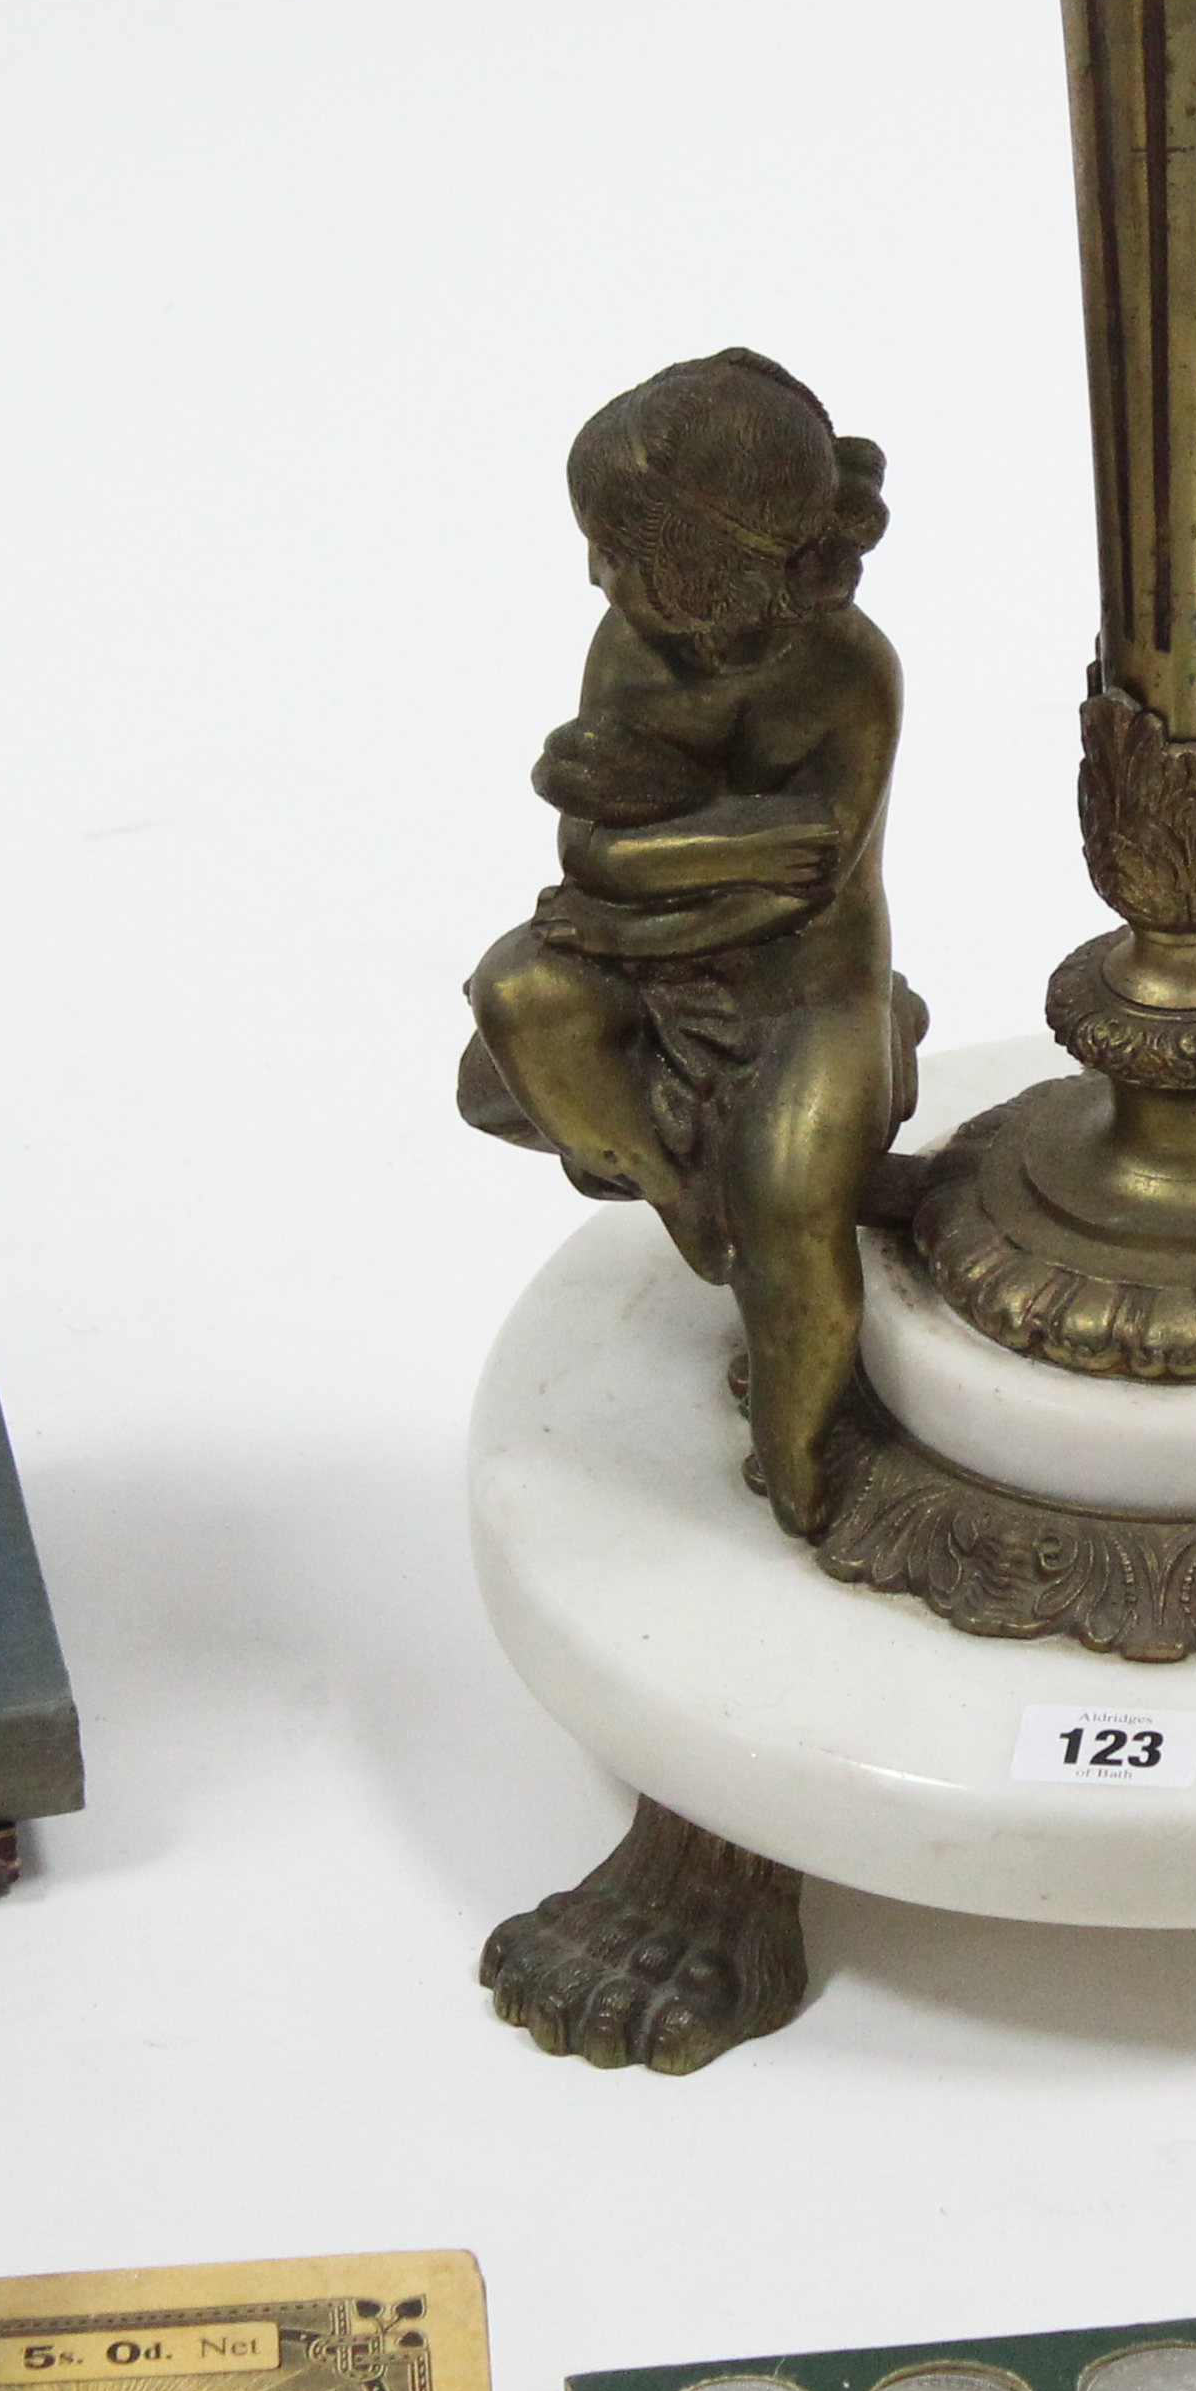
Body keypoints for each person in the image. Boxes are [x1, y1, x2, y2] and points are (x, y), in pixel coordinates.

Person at [462, 351, 922, 1534]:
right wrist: (670, 881)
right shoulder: (630, 648)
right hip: (650, 954)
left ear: (726, 567)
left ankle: (806, 1462)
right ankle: (673, 1189)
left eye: (625, 552)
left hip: (812, 996)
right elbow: (596, 856)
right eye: (598, 551)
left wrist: (651, 875)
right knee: (513, 992)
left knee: (787, 1201)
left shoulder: (848, 673)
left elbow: (813, 874)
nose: (598, 574)